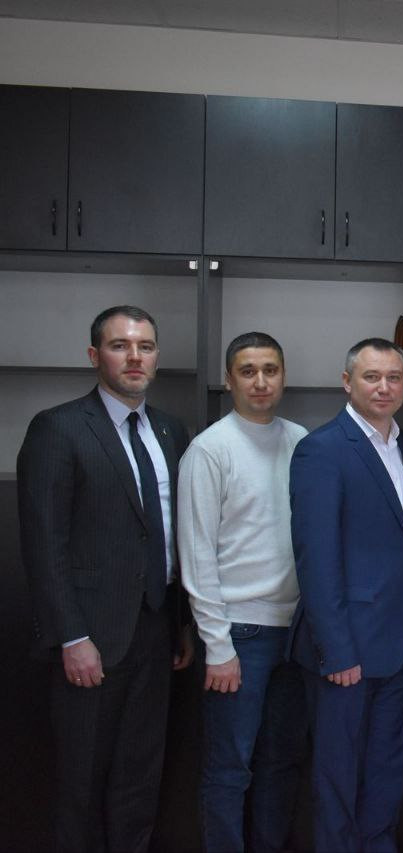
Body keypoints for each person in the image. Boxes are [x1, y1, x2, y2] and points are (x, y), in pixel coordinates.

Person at [17, 304, 194, 851]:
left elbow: (172, 534)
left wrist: (181, 626)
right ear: (95, 355)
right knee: (82, 779)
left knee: (140, 774)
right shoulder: (58, 428)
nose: (134, 357)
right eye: (120, 346)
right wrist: (71, 636)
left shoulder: (170, 429)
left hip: (157, 630)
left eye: (145, 346)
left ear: (156, 357)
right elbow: (44, 544)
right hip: (91, 636)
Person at [178, 331, 309, 853]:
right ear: (229, 379)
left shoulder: (301, 441)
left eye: (270, 370)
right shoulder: (209, 450)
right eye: (248, 371)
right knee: (230, 768)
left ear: (283, 376)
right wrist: (218, 645)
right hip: (238, 636)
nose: (260, 381)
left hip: (296, 634)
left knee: (282, 762)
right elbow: (197, 554)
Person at [289, 338, 403, 852]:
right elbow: (316, 560)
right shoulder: (322, 449)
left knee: (385, 772)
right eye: (371, 377)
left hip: (397, 643)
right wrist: (337, 650)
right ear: (347, 382)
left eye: (394, 377)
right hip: (346, 652)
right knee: (337, 777)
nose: (384, 387)